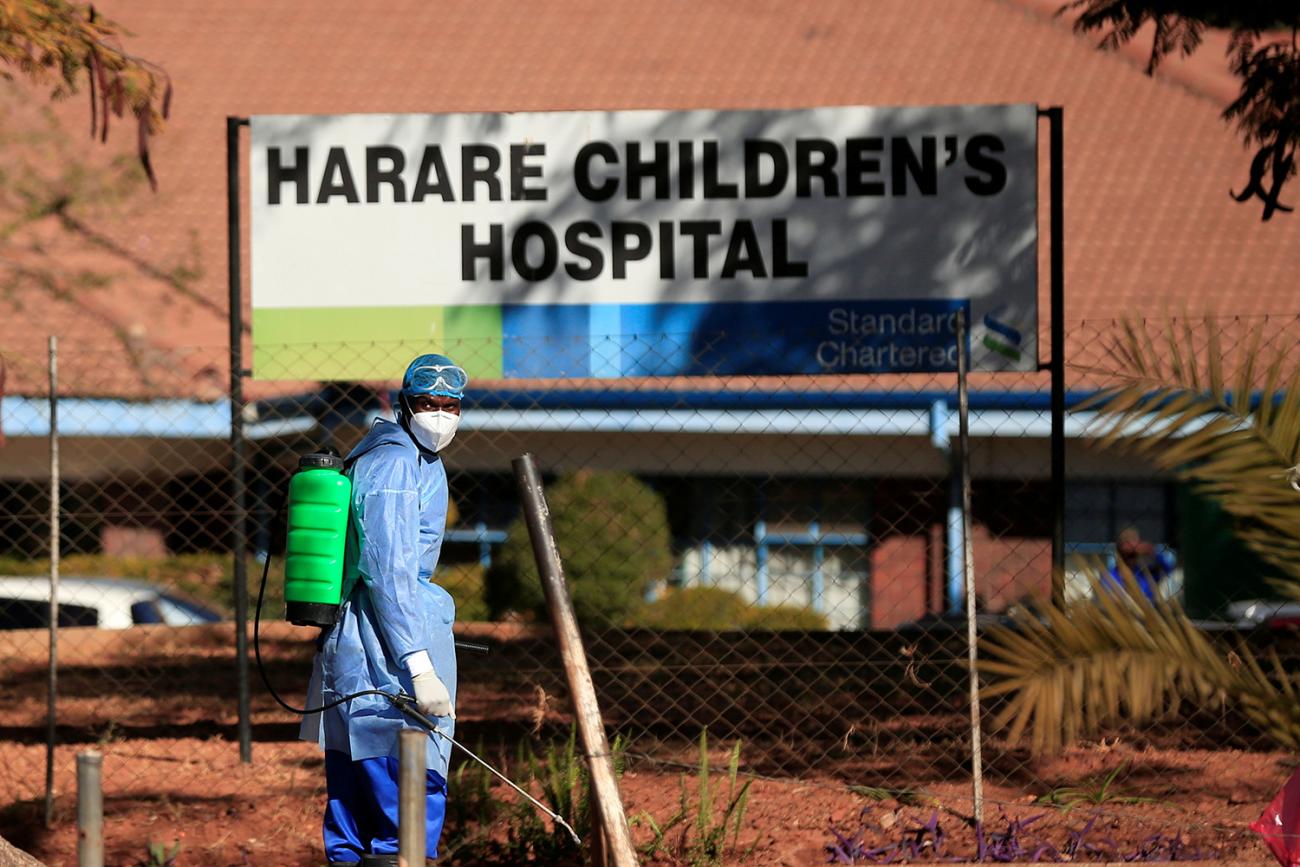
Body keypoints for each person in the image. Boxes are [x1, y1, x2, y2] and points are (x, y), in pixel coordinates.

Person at [301, 353, 468, 867]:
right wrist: (419, 665)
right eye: (427, 403)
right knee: (406, 809)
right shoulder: (395, 463)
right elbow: (388, 569)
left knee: (356, 814)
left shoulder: (398, 453)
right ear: (404, 404)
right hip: (386, 655)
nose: (439, 415)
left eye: (450, 405)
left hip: (364, 653)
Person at [1103, 525, 1177, 602]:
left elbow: (1169, 569)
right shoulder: (1110, 577)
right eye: (1126, 544)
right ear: (1119, 549)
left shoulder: (1146, 575)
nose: (1130, 550)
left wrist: (1153, 553)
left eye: (1134, 548)